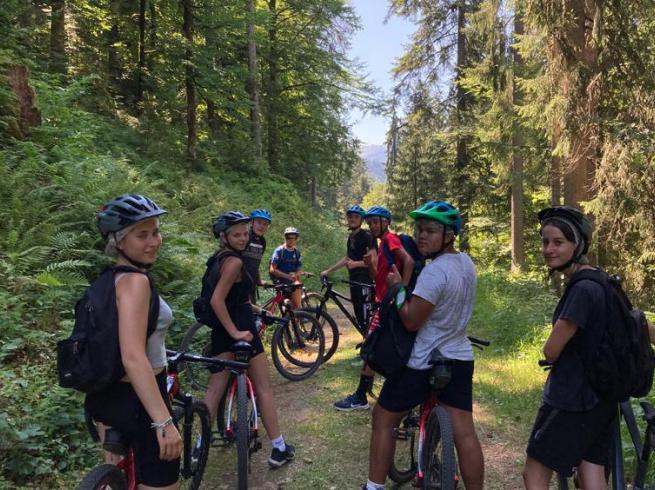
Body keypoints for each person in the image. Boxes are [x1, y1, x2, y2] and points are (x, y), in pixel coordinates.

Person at [362, 200, 483, 490]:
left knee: (383, 418)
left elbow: (411, 321)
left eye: (430, 230)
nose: (421, 236)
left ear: (449, 235)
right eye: (419, 230)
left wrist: (397, 289)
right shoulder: (466, 263)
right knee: (465, 433)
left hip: (423, 360)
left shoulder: (434, 272)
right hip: (459, 355)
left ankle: (373, 487)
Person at [86, 193, 182, 490]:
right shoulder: (136, 283)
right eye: (142, 235)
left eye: (155, 232)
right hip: (140, 400)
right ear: (119, 241)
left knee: (118, 477)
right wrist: (164, 423)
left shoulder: (107, 279)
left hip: (105, 396)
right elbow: (132, 355)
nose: (154, 241)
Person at [522, 206, 616, 490]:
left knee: (535, 472)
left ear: (577, 245)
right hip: (602, 398)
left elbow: (551, 350)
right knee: (591, 473)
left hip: (571, 398)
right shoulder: (602, 280)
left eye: (558, 242)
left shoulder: (581, 290)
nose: (548, 249)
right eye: (545, 242)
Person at [201, 211, 295, 468]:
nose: (243, 239)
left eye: (245, 233)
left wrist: (259, 311)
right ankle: (278, 447)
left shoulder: (217, 259)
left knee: (214, 391)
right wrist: (236, 332)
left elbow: (236, 300)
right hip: (240, 330)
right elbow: (217, 300)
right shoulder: (234, 263)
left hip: (222, 330)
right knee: (264, 389)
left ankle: (200, 445)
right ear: (224, 237)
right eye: (236, 234)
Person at [334, 205, 414, 412]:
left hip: (390, 302)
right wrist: (370, 264)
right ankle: (373, 394)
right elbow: (377, 275)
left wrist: (402, 291)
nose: (372, 225)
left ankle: (361, 396)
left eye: (376, 222)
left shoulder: (390, 240)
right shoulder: (381, 244)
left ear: (386, 222)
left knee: (372, 347)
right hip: (384, 301)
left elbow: (409, 261)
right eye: (370, 222)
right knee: (377, 347)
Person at [320, 205, 376, 330]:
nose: (352, 219)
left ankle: (369, 343)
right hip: (354, 280)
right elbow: (347, 259)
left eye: (356, 217)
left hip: (365, 281)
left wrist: (355, 264)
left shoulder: (367, 236)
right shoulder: (351, 237)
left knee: (366, 315)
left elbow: (374, 260)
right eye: (350, 216)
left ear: (361, 220)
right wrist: (328, 271)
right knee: (358, 315)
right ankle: (366, 341)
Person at [242, 208, 272, 302]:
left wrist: (258, 280)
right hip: (239, 283)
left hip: (251, 284)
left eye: (265, 224)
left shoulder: (262, 242)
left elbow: (256, 264)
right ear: (252, 223)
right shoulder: (245, 237)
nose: (262, 226)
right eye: (259, 222)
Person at [268, 226, 303, 309]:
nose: (291, 240)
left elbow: (299, 269)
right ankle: (299, 311)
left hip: (291, 280)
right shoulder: (280, 251)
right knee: (297, 285)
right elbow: (272, 269)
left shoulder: (297, 252)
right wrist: (287, 276)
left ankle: (295, 312)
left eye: (293, 238)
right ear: (285, 238)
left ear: (296, 239)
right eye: (288, 237)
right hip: (280, 280)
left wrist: (295, 274)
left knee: (295, 289)